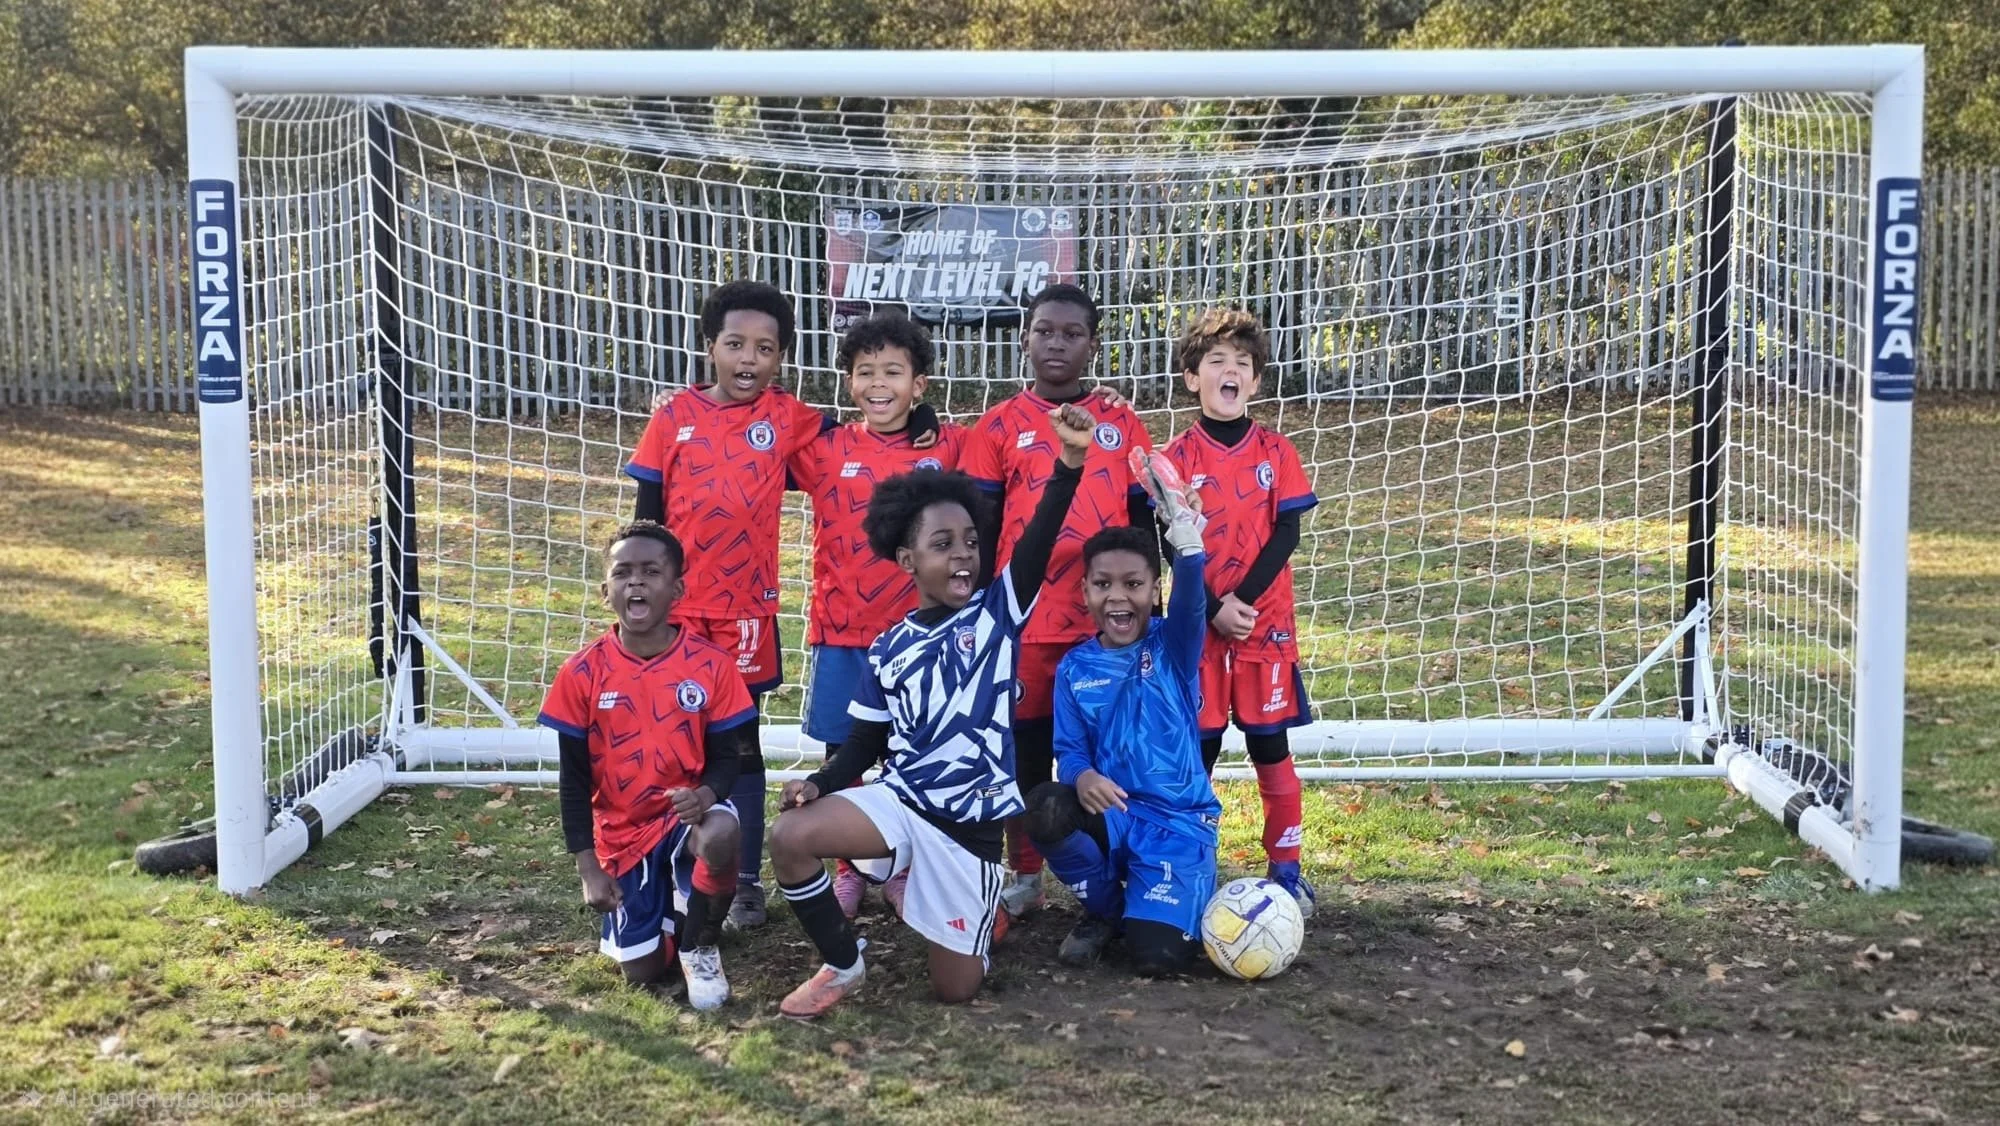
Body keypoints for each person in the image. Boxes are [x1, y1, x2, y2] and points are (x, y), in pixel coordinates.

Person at [764, 404, 1097, 1019]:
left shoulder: (998, 616)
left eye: (971, 542)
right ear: (906, 560)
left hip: (966, 833)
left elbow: (1037, 539)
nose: (963, 556)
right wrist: (817, 783)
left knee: (955, 992)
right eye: (942, 545)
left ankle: (954, 906)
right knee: (788, 836)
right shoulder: (888, 648)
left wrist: (1068, 465)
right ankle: (843, 964)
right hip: (901, 803)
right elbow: (862, 747)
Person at [625, 280, 939, 933]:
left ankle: (741, 884)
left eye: (765, 348)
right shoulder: (672, 418)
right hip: (676, 615)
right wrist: (639, 602)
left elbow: (864, 436)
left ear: (781, 359)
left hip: (745, 616)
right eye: (735, 344)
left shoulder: (789, 418)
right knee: (670, 738)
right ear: (708, 346)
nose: (748, 358)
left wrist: (923, 422)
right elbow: (645, 521)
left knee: (737, 743)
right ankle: (663, 868)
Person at [960, 284, 1154, 921]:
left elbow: (1139, 520)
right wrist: (981, 608)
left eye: (1072, 333)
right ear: (1025, 338)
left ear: (1092, 344)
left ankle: (1111, 867)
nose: (1057, 343)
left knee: (1106, 748)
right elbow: (983, 529)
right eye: (1045, 330)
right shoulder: (996, 426)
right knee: (1023, 748)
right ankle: (1024, 871)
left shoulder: (1120, 422)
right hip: (1025, 626)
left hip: (1106, 625)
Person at [788, 312, 966, 919]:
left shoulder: (948, 447)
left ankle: (904, 866)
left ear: (921, 385)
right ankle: (847, 868)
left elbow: (1012, 435)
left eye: (894, 371)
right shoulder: (825, 448)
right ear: (847, 382)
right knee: (844, 753)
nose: (879, 384)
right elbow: (753, 433)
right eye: (866, 372)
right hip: (842, 633)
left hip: (922, 638)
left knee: (913, 752)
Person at [538, 521, 755, 1010]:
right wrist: (588, 869)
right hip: (621, 835)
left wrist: (707, 795)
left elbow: (729, 758)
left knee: (720, 833)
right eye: (624, 573)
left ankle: (701, 943)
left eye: (651, 572)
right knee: (642, 973)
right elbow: (572, 782)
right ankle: (676, 914)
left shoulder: (710, 665)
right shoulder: (581, 673)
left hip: (686, 820)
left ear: (675, 589)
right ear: (605, 590)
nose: (636, 582)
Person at [1027, 455, 1221, 974]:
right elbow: (1068, 753)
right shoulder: (1073, 668)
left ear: (1154, 591)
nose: (1118, 596)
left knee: (1157, 960)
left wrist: (1187, 548)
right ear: (1085, 590)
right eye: (1103, 584)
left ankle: (1160, 901)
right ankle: (1106, 909)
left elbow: (1192, 608)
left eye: (1133, 584)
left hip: (1176, 824)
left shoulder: (1173, 646)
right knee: (1045, 807)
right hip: (1113, 819)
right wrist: (1084, 775)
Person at [1162, 307, 1318, 914]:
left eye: (1243, 365)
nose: (1230, 372)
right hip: (1199, 631)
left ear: (1255, 383)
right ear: (1191, 378)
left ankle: (1286, 871)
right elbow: (1168, 542)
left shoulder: (1277, 451)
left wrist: (1239, 603)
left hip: (1262, 627)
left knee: (1269, 746)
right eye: (1216, 362)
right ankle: (1192, 869)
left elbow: (1287, 534)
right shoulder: (1172, 459)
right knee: (1196, 751)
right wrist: (1208, 610)